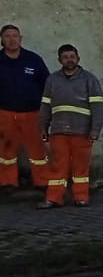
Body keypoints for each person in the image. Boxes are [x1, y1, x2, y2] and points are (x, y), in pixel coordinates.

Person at [38, 45, 103, 209]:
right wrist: (43, 129)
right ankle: (54, 198)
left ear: (78, 58)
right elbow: (45, 107)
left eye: (72, 56)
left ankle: (81, 197)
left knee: (80, 166)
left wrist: (95, 129)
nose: (70, 59)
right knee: (57, 166)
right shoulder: (52, 80)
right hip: (58, 131)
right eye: (66, 57)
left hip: (82, 131)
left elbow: (98, 107)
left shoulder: (90, 79)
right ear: (60, 60)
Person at [0, 24, 52, 191]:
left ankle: (42, 182)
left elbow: (47, 83)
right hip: (5, 113)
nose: (11, 39)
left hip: (32, 113)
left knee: (37, 148)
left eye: (15, 36)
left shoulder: (33, 59)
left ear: (20, 39)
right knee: (6, 149)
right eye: (7, 36)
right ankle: (8, 183)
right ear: (2, 40)